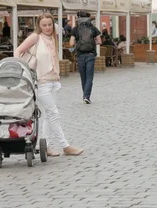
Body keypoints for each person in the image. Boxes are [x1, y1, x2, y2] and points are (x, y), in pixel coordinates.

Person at [14, 13, 84, 157]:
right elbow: (18, 50)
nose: (47, 27)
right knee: (53, 113)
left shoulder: (53, 37)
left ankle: (46, 146)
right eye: (44, 25)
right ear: (38, 26)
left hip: (53, 81)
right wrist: (20, 69)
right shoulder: (35, 37)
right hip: (41, 82)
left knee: (47, 115)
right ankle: (65, 146)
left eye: (49, 24)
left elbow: (60, 28)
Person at [70, 11, 102, 104]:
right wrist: (91, 43)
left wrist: (79, 44)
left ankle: (85, 95)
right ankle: (86, 96)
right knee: (89, 76)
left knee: (83, 76)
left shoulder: (75, 29)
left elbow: (71, 43)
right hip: (91, 55)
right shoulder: (93, 28)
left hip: (80, 55)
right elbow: (99, 41)